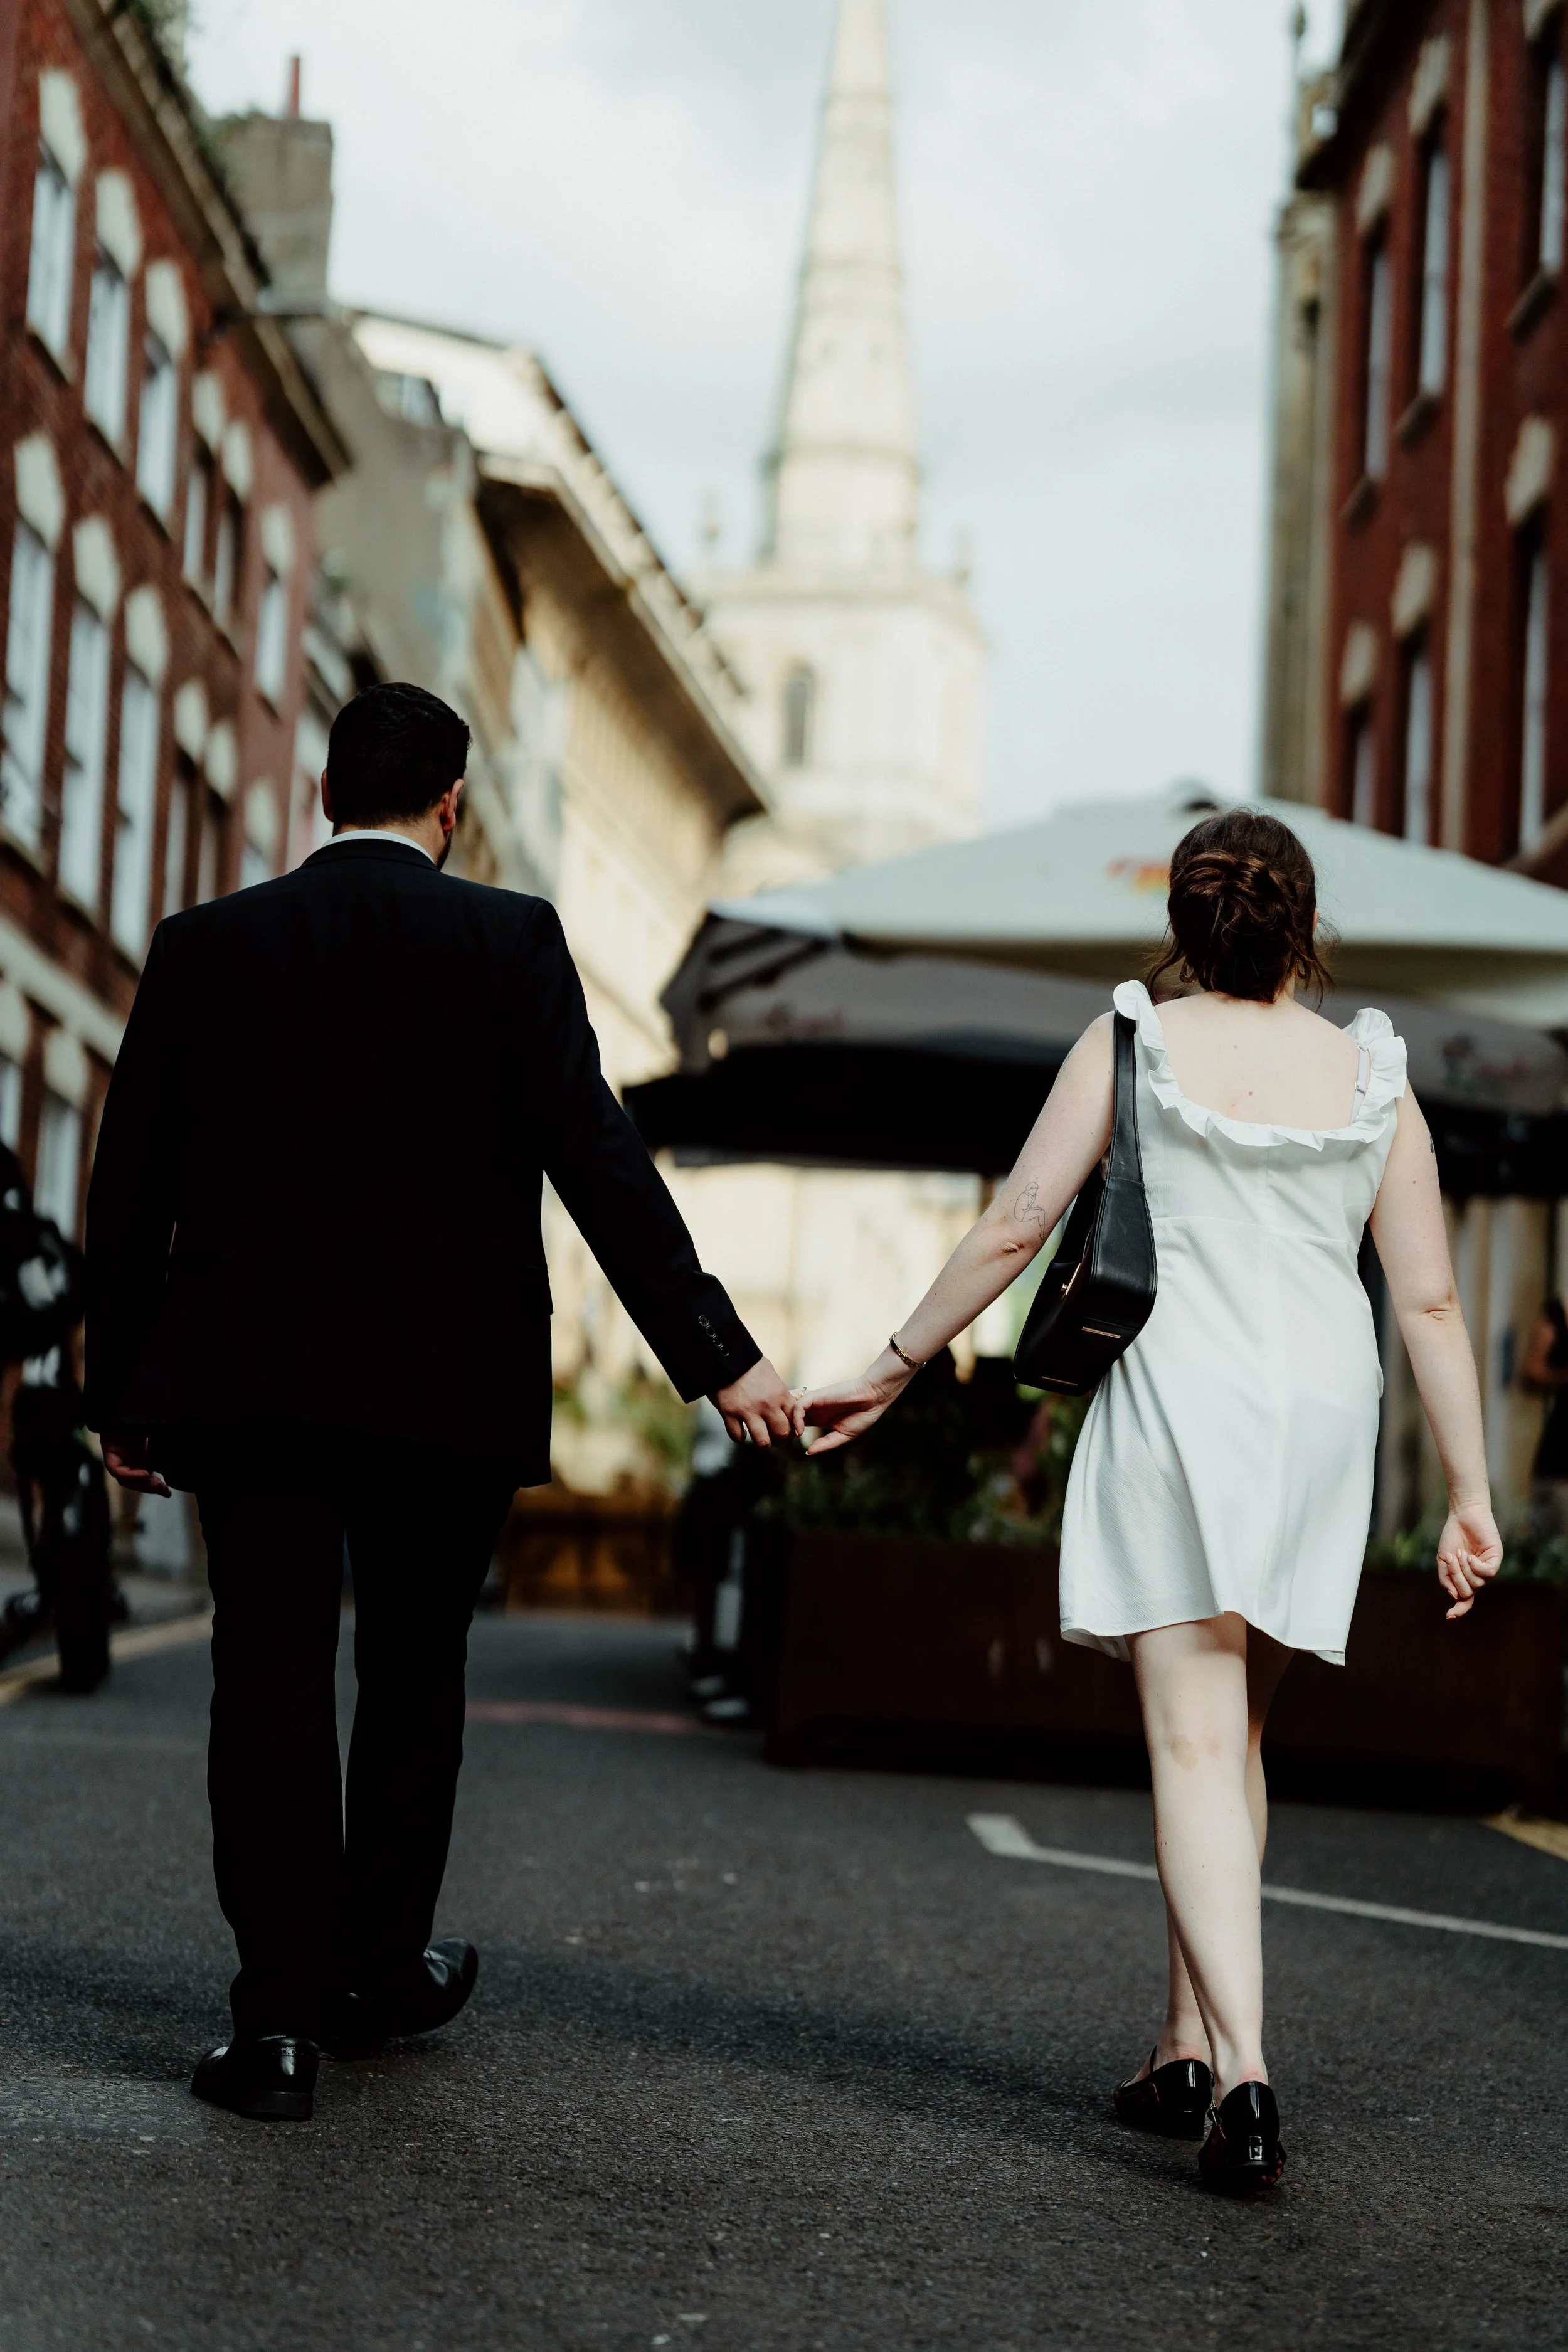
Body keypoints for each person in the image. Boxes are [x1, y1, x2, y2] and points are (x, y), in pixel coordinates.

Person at [85, 681, 798, 2122]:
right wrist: (719, 1355)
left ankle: (273, 2027)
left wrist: (123, 1387)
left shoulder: (208, 945)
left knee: (268, 1679)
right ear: (452, 806)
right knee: (416, 1679)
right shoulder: (509, 939)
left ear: (322, 796)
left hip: (251, 1383)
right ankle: (372, 1970)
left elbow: (133, 1176)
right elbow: (597, 1159)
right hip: (444, 1391)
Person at [802, 807, 1502, 2195]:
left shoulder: (1133, 1042)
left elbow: (1017, 1222)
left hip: (1185, 1398)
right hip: (1318, 1414)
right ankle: (1179, 2040)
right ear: (1305, 930)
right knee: (1234, 1735)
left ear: (1183, 928)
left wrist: (891, 1367)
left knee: (1186, 1746)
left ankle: (1242, 2081)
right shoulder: (1372, 1072)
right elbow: (1423, 1296)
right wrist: (1469, 1492)